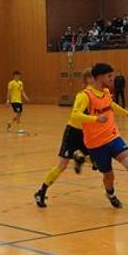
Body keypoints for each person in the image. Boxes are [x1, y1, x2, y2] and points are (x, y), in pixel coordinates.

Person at [73, 63, 128, 208]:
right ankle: (111, 194)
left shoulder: (106, 92)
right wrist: (95, 119)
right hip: (96, 143)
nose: (112, 78)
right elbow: (75, 115)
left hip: (113, 137)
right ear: (100, 77)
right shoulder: (85, 96)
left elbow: (111, 105)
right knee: (109, 176)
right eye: (109, 76)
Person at [33, 74, 95, 208]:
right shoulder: (82, 96)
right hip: (73, 132)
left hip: (85, 133)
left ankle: (80, 158)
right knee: (62, 165)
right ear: (86, 81)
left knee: (97, 161)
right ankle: (41, 192)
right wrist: (95, 119)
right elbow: (75, 114)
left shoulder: (96, 96)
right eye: (91, 79)